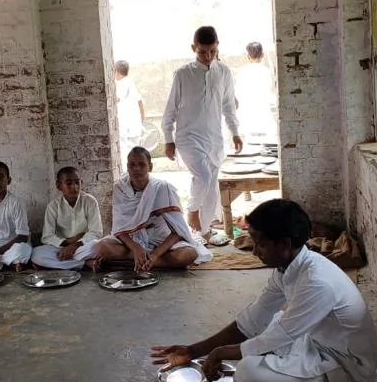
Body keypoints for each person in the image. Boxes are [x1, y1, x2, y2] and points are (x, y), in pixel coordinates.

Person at [150, 199, 377, 382]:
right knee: (269, 322)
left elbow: (276, 337)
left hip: (347, 369)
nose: (254, 251)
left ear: (284, 243)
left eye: (260, 243)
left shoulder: (316, 281)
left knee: (248, 371)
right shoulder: (291, 266)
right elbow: (252, 319)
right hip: (317, 344)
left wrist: (220, 353)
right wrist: (194, 350)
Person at [162, 26, 242, 245]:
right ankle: (192, 210)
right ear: (193, 48)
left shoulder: (224, 72)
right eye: (201, 52)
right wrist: (168, 139)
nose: (207, 57)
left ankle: (204, 232)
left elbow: (228, 106)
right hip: (188, 137)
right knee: (204, 177)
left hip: (214, 138)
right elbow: (170, 109)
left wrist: (235, 133)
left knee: (211, 187)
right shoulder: (182, 74)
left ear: (217, 47)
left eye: (211, 52)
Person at [92, 147, 211, 272]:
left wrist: (155, 255)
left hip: (161, 238)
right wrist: (136, 248)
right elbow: (119, 229)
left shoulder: (162, 188)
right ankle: (149, 261)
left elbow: (177, 231)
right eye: (132, 165)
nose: (136, 169)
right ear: (127, 167)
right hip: (134, 240)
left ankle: (137, 263)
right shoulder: (120, 188)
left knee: (189, 254)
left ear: (150, 167)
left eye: (142, 165)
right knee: (102, 247)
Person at [30, 167, 103, 270]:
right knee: (36, 254)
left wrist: (74, 245)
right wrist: (66, 243)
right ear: (59, 186)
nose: (74, 187)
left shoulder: (90, 201)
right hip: (61, 247)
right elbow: (47, 237)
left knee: (96, 246)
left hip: (83, 245)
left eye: (77, 182)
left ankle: (63, 264)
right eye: (68, 183)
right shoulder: (53, 206)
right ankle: (84, 263)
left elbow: (96, 232)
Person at [238, 41, 277, 142]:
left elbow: (239, 95)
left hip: (247, 117)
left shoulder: (242, 72)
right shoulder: (266, 72)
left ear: (248, 56)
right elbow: (270, 92)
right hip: (264, 115)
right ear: (263, 55)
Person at [114, 60, 145, 169]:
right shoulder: (131, 82)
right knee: (135, 150)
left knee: (126, 153)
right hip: (135, 124)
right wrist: (142, 120)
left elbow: (117, 98)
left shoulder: (122, 83)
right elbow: (140, 103)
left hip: (126, 126)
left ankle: (129, 173)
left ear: (116, 72)